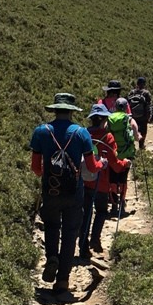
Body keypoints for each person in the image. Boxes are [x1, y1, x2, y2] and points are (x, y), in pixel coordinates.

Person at [31, 93, 105, 294]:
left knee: (52, 227)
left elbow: (36, 168)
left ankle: (51, 257)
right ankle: (63, 279)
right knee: (71, 232)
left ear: (54, 109)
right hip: (74, 191)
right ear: (72, 111)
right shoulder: (81, 134)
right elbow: (92, 165)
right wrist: (102, 164)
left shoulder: (41, 132)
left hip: (50, 189)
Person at [78, 104, 132, 259]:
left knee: (85, 213)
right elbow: (114, 163)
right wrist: (125, 164)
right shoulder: (108, 138)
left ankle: (83, 246)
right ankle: (95, 239)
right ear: (104, 120)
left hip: (84, 181)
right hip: (101, 182)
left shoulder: (85, 134)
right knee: (101, 211)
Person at [107, 97, 141, 218]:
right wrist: (139, 137)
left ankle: (113, 205)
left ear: (115, 107)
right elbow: (136, 137)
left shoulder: (109, 119)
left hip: (113, 155)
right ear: (126, 107)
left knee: (112, 178)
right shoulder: (130, 120)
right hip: (126, 155)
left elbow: (106, 135)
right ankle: (122, 202)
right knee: (123, 179)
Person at [127, 76, 153, 150]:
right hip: (143, 116)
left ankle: (131, 147)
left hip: (132, 116)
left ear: (137, 83)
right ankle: (141, 145)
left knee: (131, 130)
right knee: (143, 131)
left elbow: (127, 104)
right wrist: (149, 117)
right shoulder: (146, 93)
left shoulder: (132, 92)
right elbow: (149, 105)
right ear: (144, 84)